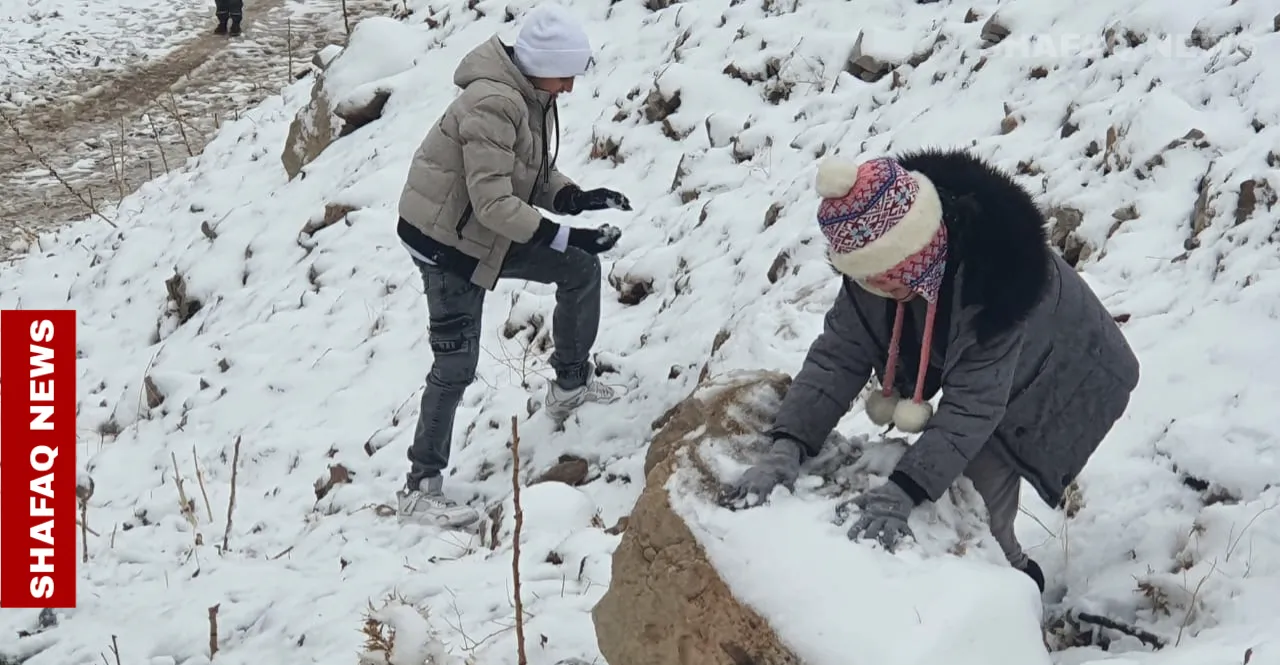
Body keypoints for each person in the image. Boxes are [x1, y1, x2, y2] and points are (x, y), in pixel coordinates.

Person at [720, 147, 1140, 592]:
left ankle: (1015, 583)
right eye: (862, 275)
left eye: (881, 274)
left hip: (1063, 367)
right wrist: (788, 445)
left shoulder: (998, 288)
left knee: (981, 487)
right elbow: (838, 356)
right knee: (952, 467)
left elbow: (973, 410)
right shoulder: (878, 265)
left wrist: (904, 490)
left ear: (913, 249)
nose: (872, 285)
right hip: (988, 350)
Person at [393, 3, 631, 527]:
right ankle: (420, 487)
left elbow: (528, 171)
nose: (569, 86)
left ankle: (570, 384)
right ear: (541, 62)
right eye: (565, 74)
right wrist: (568, 233)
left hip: (485, 227)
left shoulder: (530, 93)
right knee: (455, 365)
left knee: (578, 269)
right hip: (446, 241)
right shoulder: (494, 102)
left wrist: (576, 198)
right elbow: (494, 203)